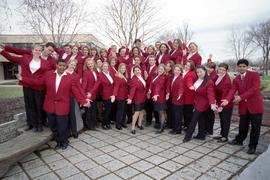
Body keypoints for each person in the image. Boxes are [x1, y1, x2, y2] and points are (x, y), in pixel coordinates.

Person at [17, 59, 90, 150]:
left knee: (62, 126)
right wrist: (22, 79)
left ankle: (64, 141)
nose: (62, 67)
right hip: (50, 105)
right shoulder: (48, 75)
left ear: (65, 67)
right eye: (60, 65)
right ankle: (58, 140)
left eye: (64, 66)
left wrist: (83, 101)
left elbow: (76, 92)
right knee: (53, 125)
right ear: (56, 65)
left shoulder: (70, 78)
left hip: (62, 106)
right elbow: (38, 82)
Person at [0, 45, 51, 132]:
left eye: (39, 50)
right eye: (36, 50)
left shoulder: (46, 63)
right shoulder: (25, 58)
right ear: (32, 50)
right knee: (29, 106)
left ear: (41, 51)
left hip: (39, 88)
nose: (37, 52)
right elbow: (11, 58)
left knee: (39, 106)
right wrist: (1, 51)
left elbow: (42, 81)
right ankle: (31, 123)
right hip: (27, 87)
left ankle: (39, 124)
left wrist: (23, 79)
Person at [222, 59, 264, 154]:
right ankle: (239, 140)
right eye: (240, 66)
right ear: (238, 67)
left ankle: (252, 146)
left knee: (255, 127)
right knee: (242, 126)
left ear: (247, 66)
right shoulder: (236, 78)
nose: (242, 68)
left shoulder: (254, 75)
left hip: (255, 105)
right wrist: (227, 99)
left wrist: (241, 97)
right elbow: (233, 90)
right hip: (244, 106)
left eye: (244, 66)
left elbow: (254, 89)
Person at [183, 66, 216, 142]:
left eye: (201, 71)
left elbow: (211, 93)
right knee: (201, 119)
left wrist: (212, 103)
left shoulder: (209, 81)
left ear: (205, 71)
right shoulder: (198, 79)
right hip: (196, 102)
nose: (199, 73)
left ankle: (187, 137)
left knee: (193, 119)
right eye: (197, 72)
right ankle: (201, 135)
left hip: (202, 103)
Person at [90, 62, 114, 130]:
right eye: (104, 66)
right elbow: (96, 86)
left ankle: (108, 122)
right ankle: (104, 123)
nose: (105, 67)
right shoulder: (100, 76)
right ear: (102, 67)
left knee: (110, 110)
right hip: (106, 95)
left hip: (112, 95)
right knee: (107, 110)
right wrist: (91, 92)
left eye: (106, 66)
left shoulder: (110, 74)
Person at [213, 63, 234, 143]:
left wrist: (221, 106)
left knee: (225, 120)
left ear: (226, 71)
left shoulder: (226, 80)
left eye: (223, 70)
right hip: (220, 101)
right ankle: (222, 134)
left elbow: (225, 94)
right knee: (222, 119)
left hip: (226, 103)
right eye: (220, 69)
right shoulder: (218, 76)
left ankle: (225, 137)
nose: (221, 71)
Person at [148, 64, 167, 133]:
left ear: (164, 70)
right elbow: (151, 83)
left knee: (161, 112)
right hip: (155, 96)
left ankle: (161, 128)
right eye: (159, 69)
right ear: (157, 69)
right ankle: (162, 124)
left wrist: (156, 94)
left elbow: (158, 86)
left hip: (160, 97)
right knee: (160, 112)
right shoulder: (155, 76)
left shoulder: (162, 77)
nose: (160, 70)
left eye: (162, 69)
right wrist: (150, 89)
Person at [128, 65, 146, 134]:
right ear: (133, 72)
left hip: (143, 98)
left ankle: (139, 124)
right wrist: (130, 98)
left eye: (138, 70)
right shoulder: (134, 79)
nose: (137, 71)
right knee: (136, 113)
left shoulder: (142, 77)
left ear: (140, 70)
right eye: (135, 71)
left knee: (142, 111)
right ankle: (132, 128)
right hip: (137, 98)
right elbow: (132, 90)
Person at [82, 59, 98, 130]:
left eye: (91, 63)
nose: (90, 65)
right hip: (88, 94)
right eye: (88, 64)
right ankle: (89, 125)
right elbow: (84, 84)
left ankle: (93, 123)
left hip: (94, 93)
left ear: (94, 63)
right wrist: (85, 95)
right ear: (86, 65)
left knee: (94, 109)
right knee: (89, 110)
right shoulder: (86, 72)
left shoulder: (95, 71)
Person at [111, 63, 128, 130]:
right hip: (120, 96)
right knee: (120, 111)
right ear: (119, 68)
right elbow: (116, 87)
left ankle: (123, 122)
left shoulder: (124, 75)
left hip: (125, 95)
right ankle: (118, 124)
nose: (123, 69)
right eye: (122, 68)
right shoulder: (117, 76)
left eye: (124, 68)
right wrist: (114, 95)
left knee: (124, 110)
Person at [169, 64, 184, 134]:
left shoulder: (181, 78)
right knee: (174, 114)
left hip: (178, 100)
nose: (176, 71)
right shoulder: (173, 77)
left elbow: (181, 88)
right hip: (173, 98)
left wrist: (180, 94)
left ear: (181, 71)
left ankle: (177, 130)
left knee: (178, 115)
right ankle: (175, 128)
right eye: (175, 70)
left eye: (178, 70)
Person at [182, 60, 197, 130]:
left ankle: (189, 127)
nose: (187, 66)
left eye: (189, 66)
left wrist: (190, 86)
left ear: (192, 67)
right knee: (185, 111)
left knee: (188, 112)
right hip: (185, 95)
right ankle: (186, 125)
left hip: (189, 96)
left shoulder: (192, 73)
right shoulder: (185, 72)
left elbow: (189, 81)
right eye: (186, 65)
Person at [205, 62, 218, 135]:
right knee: (207, 114)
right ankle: (207, 129)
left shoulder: (214, 76)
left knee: (210, 115)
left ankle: (209, 130)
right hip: (207, 97)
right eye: (208, 67)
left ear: (214, 69)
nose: (209, 69)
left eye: (211, 68)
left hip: (212, 97)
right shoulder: (208, 74)